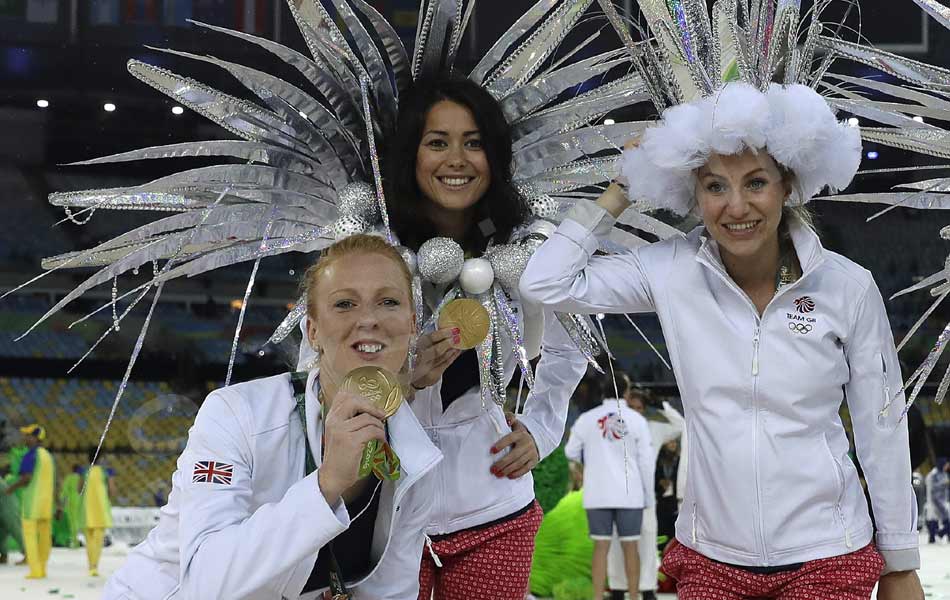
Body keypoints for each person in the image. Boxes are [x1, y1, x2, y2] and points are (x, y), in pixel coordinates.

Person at [521, 81, 923, 600]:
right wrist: (621, 188)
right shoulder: (669, 270)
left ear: (787, 184)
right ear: (693, 193)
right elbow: (544, 283)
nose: (736, 207)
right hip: (710, 559)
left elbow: (882, 428)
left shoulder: (848, 288)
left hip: (827, 553)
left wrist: (899, 563)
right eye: (715, 186)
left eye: (755, 183)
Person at [104, 234, 443, 600]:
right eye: (345, 304)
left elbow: (390, 592)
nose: (369, 319)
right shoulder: (236, 415)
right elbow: (206, 583)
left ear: (412, 324)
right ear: (313, 331)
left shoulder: (416, 460)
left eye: (388, 302)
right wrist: (327, 484)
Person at [385, 75, 588, 600]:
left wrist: (543, 428)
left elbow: (572, 345)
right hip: (385, 513)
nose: (457, 159)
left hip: (494, 511)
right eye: (437, 142)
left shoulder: (528, 250)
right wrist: (405, 378)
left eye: (474, 142)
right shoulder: (371, 251)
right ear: (411, 154)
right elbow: (319, 363)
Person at [564, 368, 654, 600]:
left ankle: (597, 598)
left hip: (598, 493)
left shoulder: (586, 419)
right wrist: (648, 497)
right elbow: (646, 462)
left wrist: (582, 471)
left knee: (601, 548)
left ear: (601, 391)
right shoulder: (637, 421)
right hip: (630, 494)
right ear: (626, 392)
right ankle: (634, 597)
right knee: (631, 547)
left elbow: (571, 451)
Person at [606, 385, 684, 600]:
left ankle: (648, 588)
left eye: (640, 407)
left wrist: (662, 405)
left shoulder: (653, 427)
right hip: (619, 496)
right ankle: (618, 588)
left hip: (646, 499)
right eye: (631, 406)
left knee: (648, 543)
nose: (635, 410)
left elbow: (681, 425)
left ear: (644, 409)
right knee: (617, 543)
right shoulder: (614, 429)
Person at [4, 424, 55, 579]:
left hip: (32, 504)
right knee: (45, 538)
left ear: (35, 438)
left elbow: (26, 478)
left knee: (31, 538)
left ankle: (35, 570)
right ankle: (43, 568)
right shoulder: (48, 456)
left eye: (28, 436)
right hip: (46, 505)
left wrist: (11, 488)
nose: (25, 438)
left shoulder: (30, 455)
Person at [80, 456, 117, 576]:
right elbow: (112, 490)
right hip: (100, 507)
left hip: (87, 507)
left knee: (89, 538)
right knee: (98, 538)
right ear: (101, 458)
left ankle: (90, 565)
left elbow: (79, 488)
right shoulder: (107, 471)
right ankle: (95, 566)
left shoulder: (84, 470)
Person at [924, 457, 950, 543]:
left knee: (938, 519)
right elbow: (932, 488)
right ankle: (937, 535)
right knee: (933, 519)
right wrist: (943, 483)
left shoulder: (943, 473)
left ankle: (939, 534)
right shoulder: (934, 474)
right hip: (934, 501)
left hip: (942, 500)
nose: (947, 467)